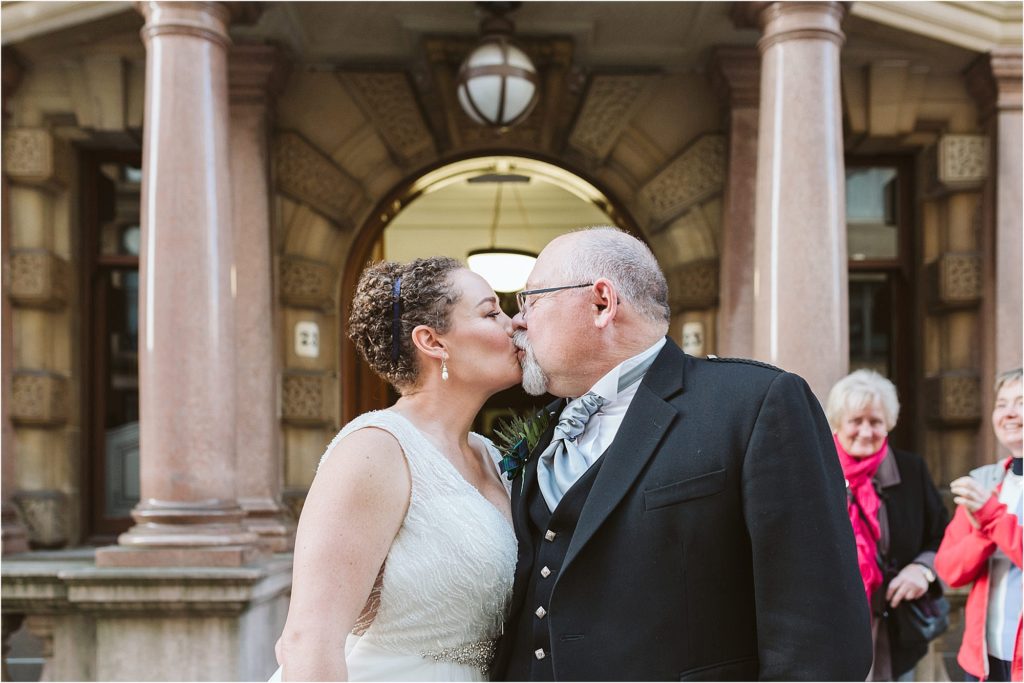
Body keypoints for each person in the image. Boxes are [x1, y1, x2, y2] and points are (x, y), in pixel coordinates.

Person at [491, 226, 873, 681]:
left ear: (601, 304)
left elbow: (819, 632)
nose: (518, 322)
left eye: (530, 300)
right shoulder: (544, 431)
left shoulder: (753, 405)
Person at [273, 257, 521, 681]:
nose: (512, 324)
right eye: (490, 312)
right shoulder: (374, 450)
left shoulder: (490, 455)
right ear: (433, 342)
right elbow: (307, 641)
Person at [826, 370, 949, 681]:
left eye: (876, 421)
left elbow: (943, 536)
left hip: (897, 636)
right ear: (838, 423)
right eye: (856, 421)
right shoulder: (816, 471)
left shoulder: (912, 470)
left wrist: (922, 570)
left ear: (889, 423)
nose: (866, 431)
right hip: (830, 633)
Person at [935, 368, 1023, 682]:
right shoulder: (984, 481)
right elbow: (949, 570)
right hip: (983, 663)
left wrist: (990, 517)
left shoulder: (984, 499)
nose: (1009, 413)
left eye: (1021, 402)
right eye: (1001, 404)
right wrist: (983, 534)